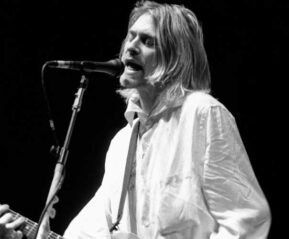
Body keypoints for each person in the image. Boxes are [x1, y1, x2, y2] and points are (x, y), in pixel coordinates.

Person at [0, 1, 271, 238]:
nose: (131, 47)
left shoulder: (201, 114)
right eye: (131, 37)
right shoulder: (122, 142)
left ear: (175, 57)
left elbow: (245, 220)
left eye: (147, 41)